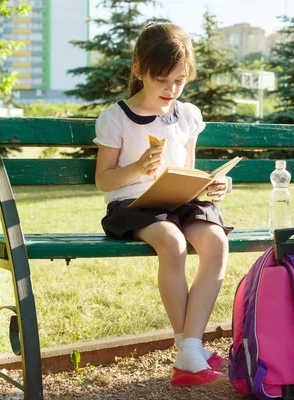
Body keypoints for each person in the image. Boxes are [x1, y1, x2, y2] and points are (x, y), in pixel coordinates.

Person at [93, 23, 232, 387]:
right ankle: (187, 348)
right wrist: (138, 167)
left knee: (216, 242)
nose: (171, 90)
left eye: (180, 81)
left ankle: (190, 345)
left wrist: (211, 183)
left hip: (179, 200)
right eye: (162, 80)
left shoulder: (186, 115)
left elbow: (187, 169)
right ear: (139, 70)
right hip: (133, 204)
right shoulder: (116, 117)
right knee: (172, 243)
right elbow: (103, 181)